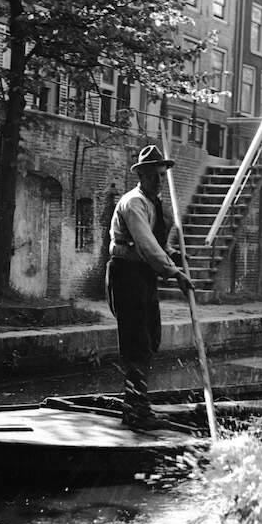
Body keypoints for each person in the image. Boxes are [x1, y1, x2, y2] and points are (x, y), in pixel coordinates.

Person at [107, 145, 194, 431]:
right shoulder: (133, 203)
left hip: (144, 276)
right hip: (127, 274)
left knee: (151, 338)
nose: (159, 181)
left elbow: (160, 245)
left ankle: (137, 403)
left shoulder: (157, 206)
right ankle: (136, 412)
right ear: (141, 175)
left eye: (161, 175)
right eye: (154, 175)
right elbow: (145, 245)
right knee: (136, 343)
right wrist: (174, 271)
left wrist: (175, 255)